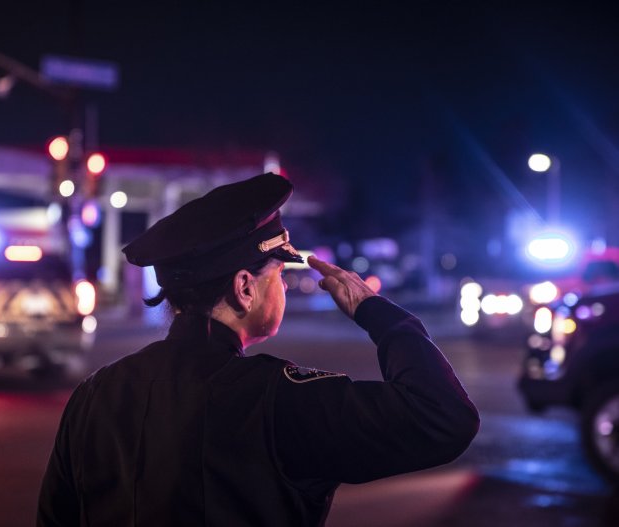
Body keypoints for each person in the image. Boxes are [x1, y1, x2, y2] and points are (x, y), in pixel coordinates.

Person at [37, 173, 479, 526]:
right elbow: (444, 418)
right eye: (278, 276)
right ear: (244, 288)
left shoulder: (95, 395)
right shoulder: (279, 401)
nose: (283, 288)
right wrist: (379, 314)